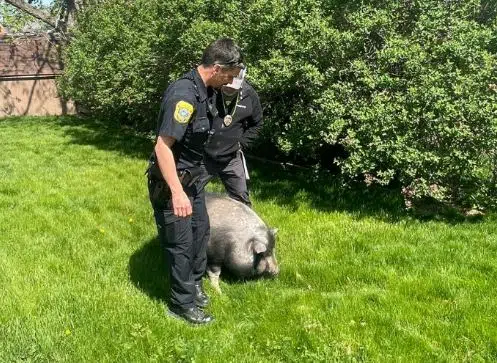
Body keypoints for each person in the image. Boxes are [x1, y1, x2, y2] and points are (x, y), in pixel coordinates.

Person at [147, 38, 245, 325]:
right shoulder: (184, 94)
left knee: (200, 235)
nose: (232, 79)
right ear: (216, 68)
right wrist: (177, 193)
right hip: (172, 184)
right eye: (230, 73)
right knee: (181, 243)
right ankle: (181, 305)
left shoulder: (207, 91)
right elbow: (162, 147)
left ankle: (194, 288)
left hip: (194, 180)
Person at [202, 68, 263, 207]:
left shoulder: (249, 94)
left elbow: (258, 124)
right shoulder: (210, 89)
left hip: (232, 158)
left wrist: (241, 143)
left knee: (242, 201)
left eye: (233, 87)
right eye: (226, 85)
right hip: (204, 156)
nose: (229, 88)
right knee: (189, 193)